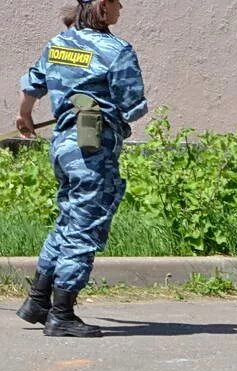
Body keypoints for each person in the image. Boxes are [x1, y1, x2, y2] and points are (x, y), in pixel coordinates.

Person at [14, 0, 147, 337]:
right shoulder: (116, 50)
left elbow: (31, 86)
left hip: (62, 148)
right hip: (92, 151)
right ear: (103, 7)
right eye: (117, 3)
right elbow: (134, 107)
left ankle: (38, 300)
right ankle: (62, 314)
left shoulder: (58, 44)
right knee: (85, 227)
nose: (121, 9)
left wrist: (25, 115)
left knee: (68, 219)